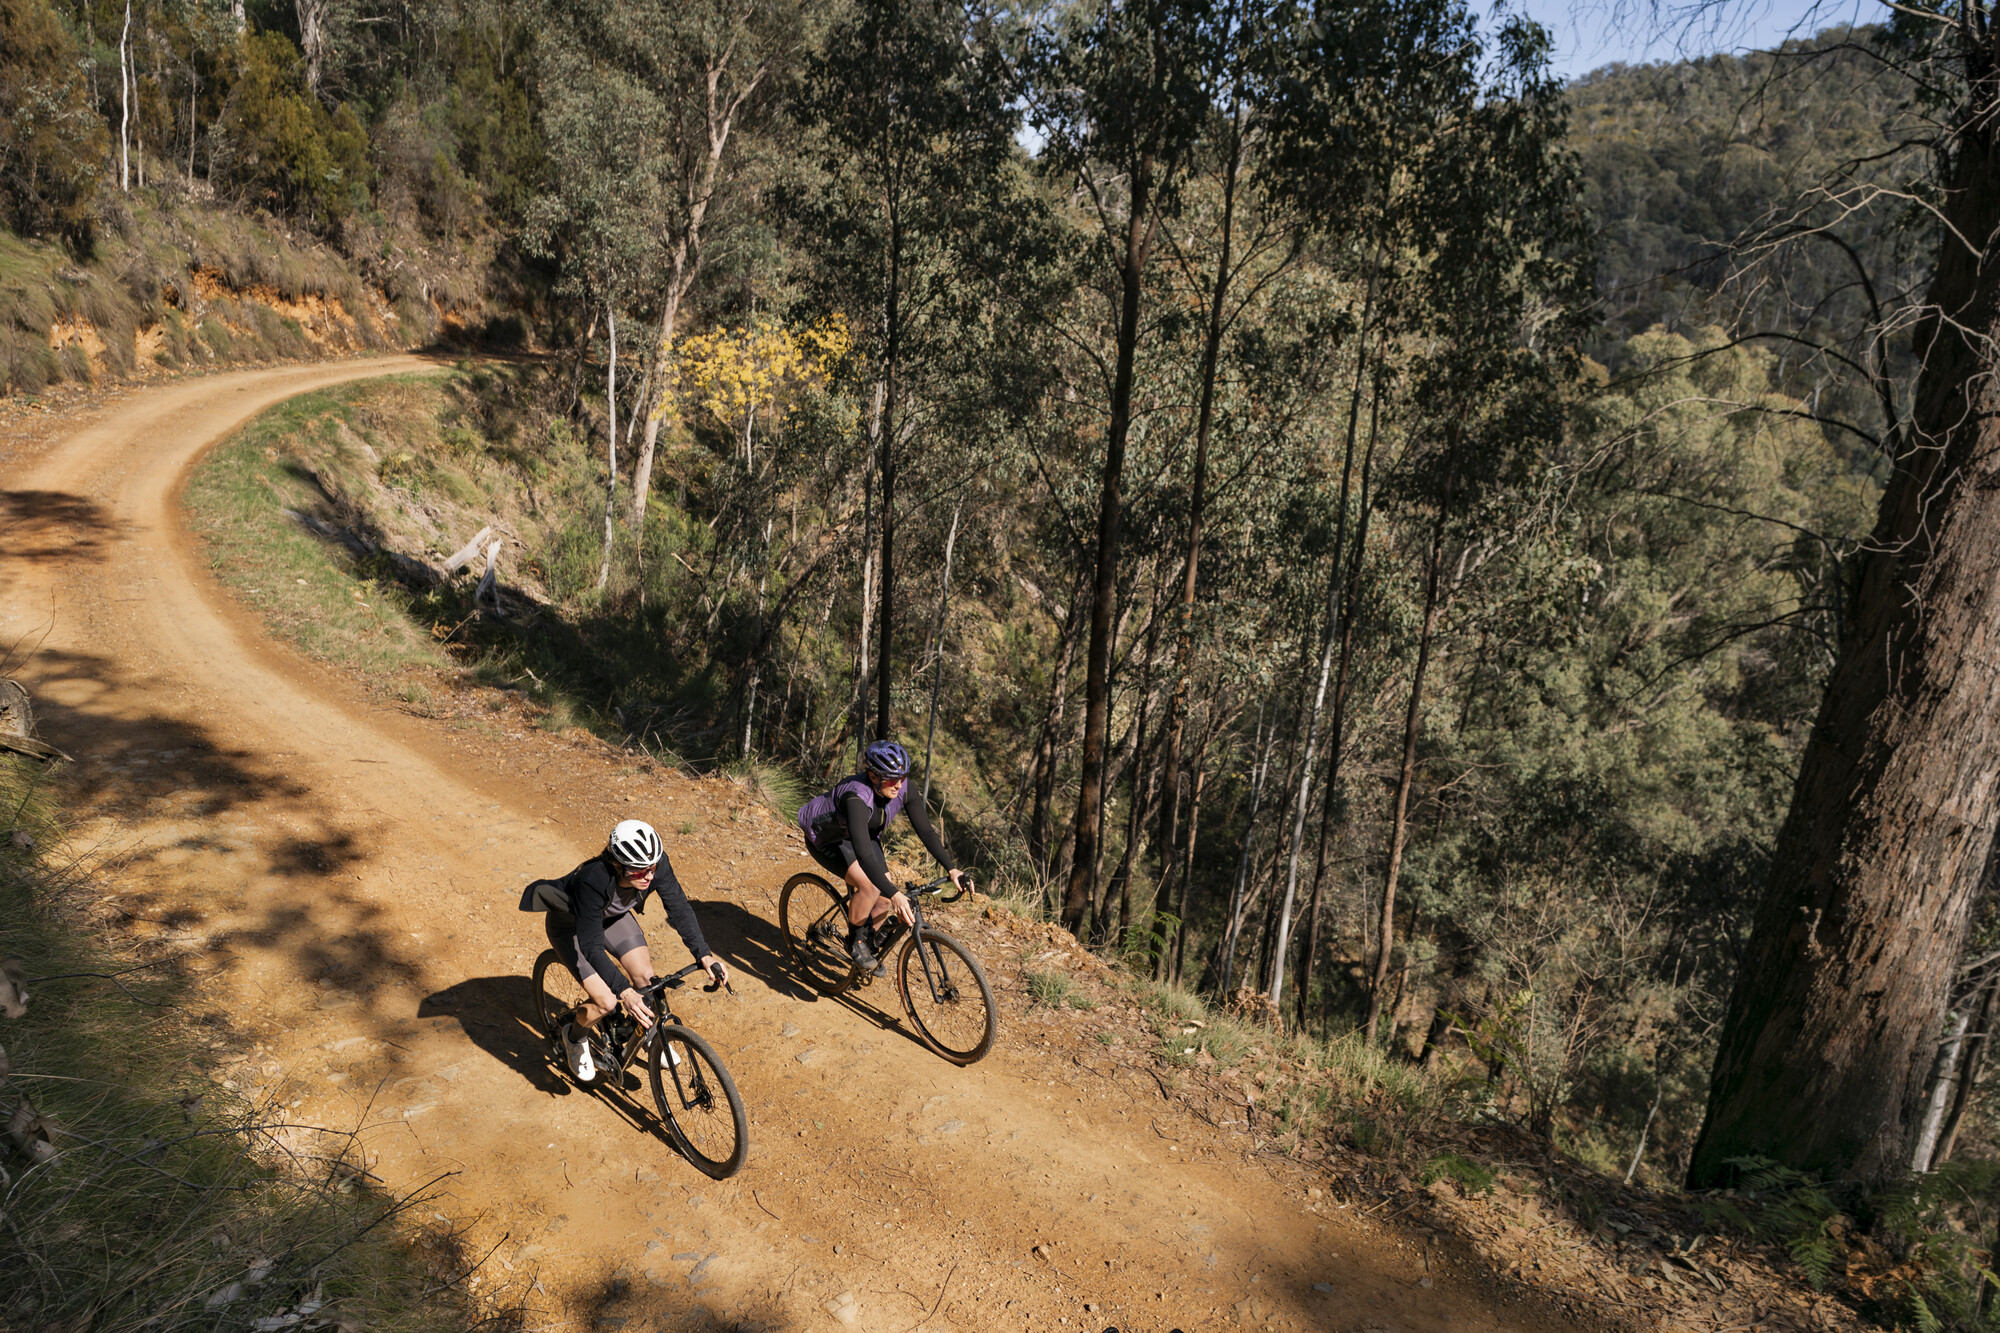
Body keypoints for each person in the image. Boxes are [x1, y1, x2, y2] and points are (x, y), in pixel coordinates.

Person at [518, 819, 729, 1084]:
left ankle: (649, 1036)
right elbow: (591, 947)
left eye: (651, 867)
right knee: (606, 1002)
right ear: (618, 864)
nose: (649, 876)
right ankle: (574, 1036)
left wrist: (704, 955)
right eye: (640, 871)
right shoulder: (592, 880)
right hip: (572, 927)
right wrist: (624, 992)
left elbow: (679, 908)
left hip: (612, 917)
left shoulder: (656, 865)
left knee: (646, 978)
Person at [797, 741, 966, 974]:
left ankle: (867, 943)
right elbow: (865, 857)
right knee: (870, 888)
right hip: (827, 837)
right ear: (873, 776)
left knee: (885, 898)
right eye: (891, 778)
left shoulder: (904, 788)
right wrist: (896, 893)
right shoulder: (856, 798)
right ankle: (855, 943)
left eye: (902, 777)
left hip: (863, 834)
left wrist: (951, 868)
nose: (898, 784)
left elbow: (926, 831)